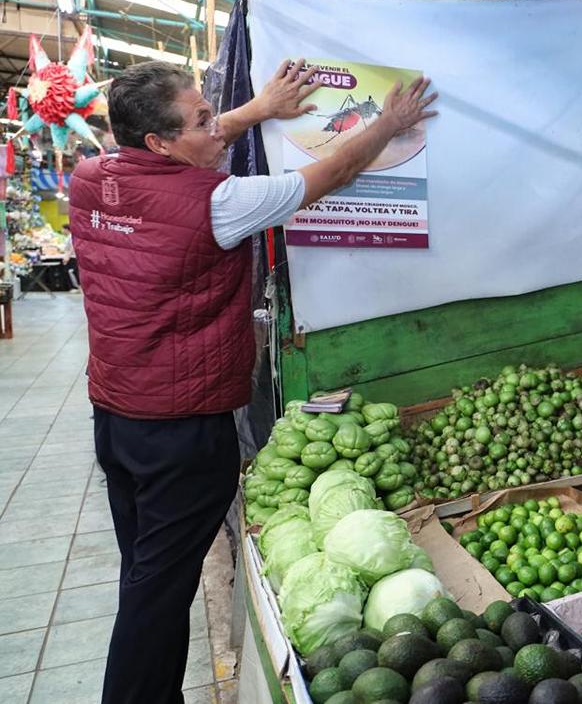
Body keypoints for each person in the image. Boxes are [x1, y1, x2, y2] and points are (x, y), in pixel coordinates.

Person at [69, 59, 437, 704]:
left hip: (118, 418)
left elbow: (182, 148)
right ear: (158, 142)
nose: (218, 128)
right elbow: (334, 172)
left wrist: (258, 111)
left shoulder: (92, 177)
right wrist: (391, 123)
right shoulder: (219, 202)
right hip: (183, 431)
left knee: (148, 575)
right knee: (157, 592)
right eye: (204, 120)